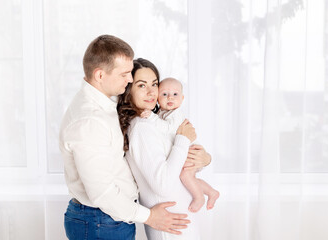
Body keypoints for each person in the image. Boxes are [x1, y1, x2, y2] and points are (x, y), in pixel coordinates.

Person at [59, 35, 193, 240]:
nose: (129, 80)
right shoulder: (90, 121)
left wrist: (198, 157)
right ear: (100, 75)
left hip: (108, 219)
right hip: (100, 221)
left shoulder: (105, 105)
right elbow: (102, 193)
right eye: (124, 74)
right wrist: (149, 217)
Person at [117, 58, 212, 239]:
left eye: (154, 84)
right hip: (173, 227)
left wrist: (204, 159)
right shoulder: (142, 127)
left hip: (179, 223)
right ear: (129, 91)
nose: (152, 91)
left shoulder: (155, 122)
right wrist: (183, 139)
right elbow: (163, 185)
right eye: (142, 85)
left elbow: (176, 160)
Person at [141, 77, 219, 212]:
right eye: (164, 94)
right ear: (158, 98)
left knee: (185, 176)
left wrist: (151, 117)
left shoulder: (175, 114)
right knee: (189, 179)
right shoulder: (162, 113)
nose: (170, 98)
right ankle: (211, 192)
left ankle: (199, 197)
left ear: (182, 99)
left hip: (191, 152)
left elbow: (166, 129)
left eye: (175, 94)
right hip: (186, 153)